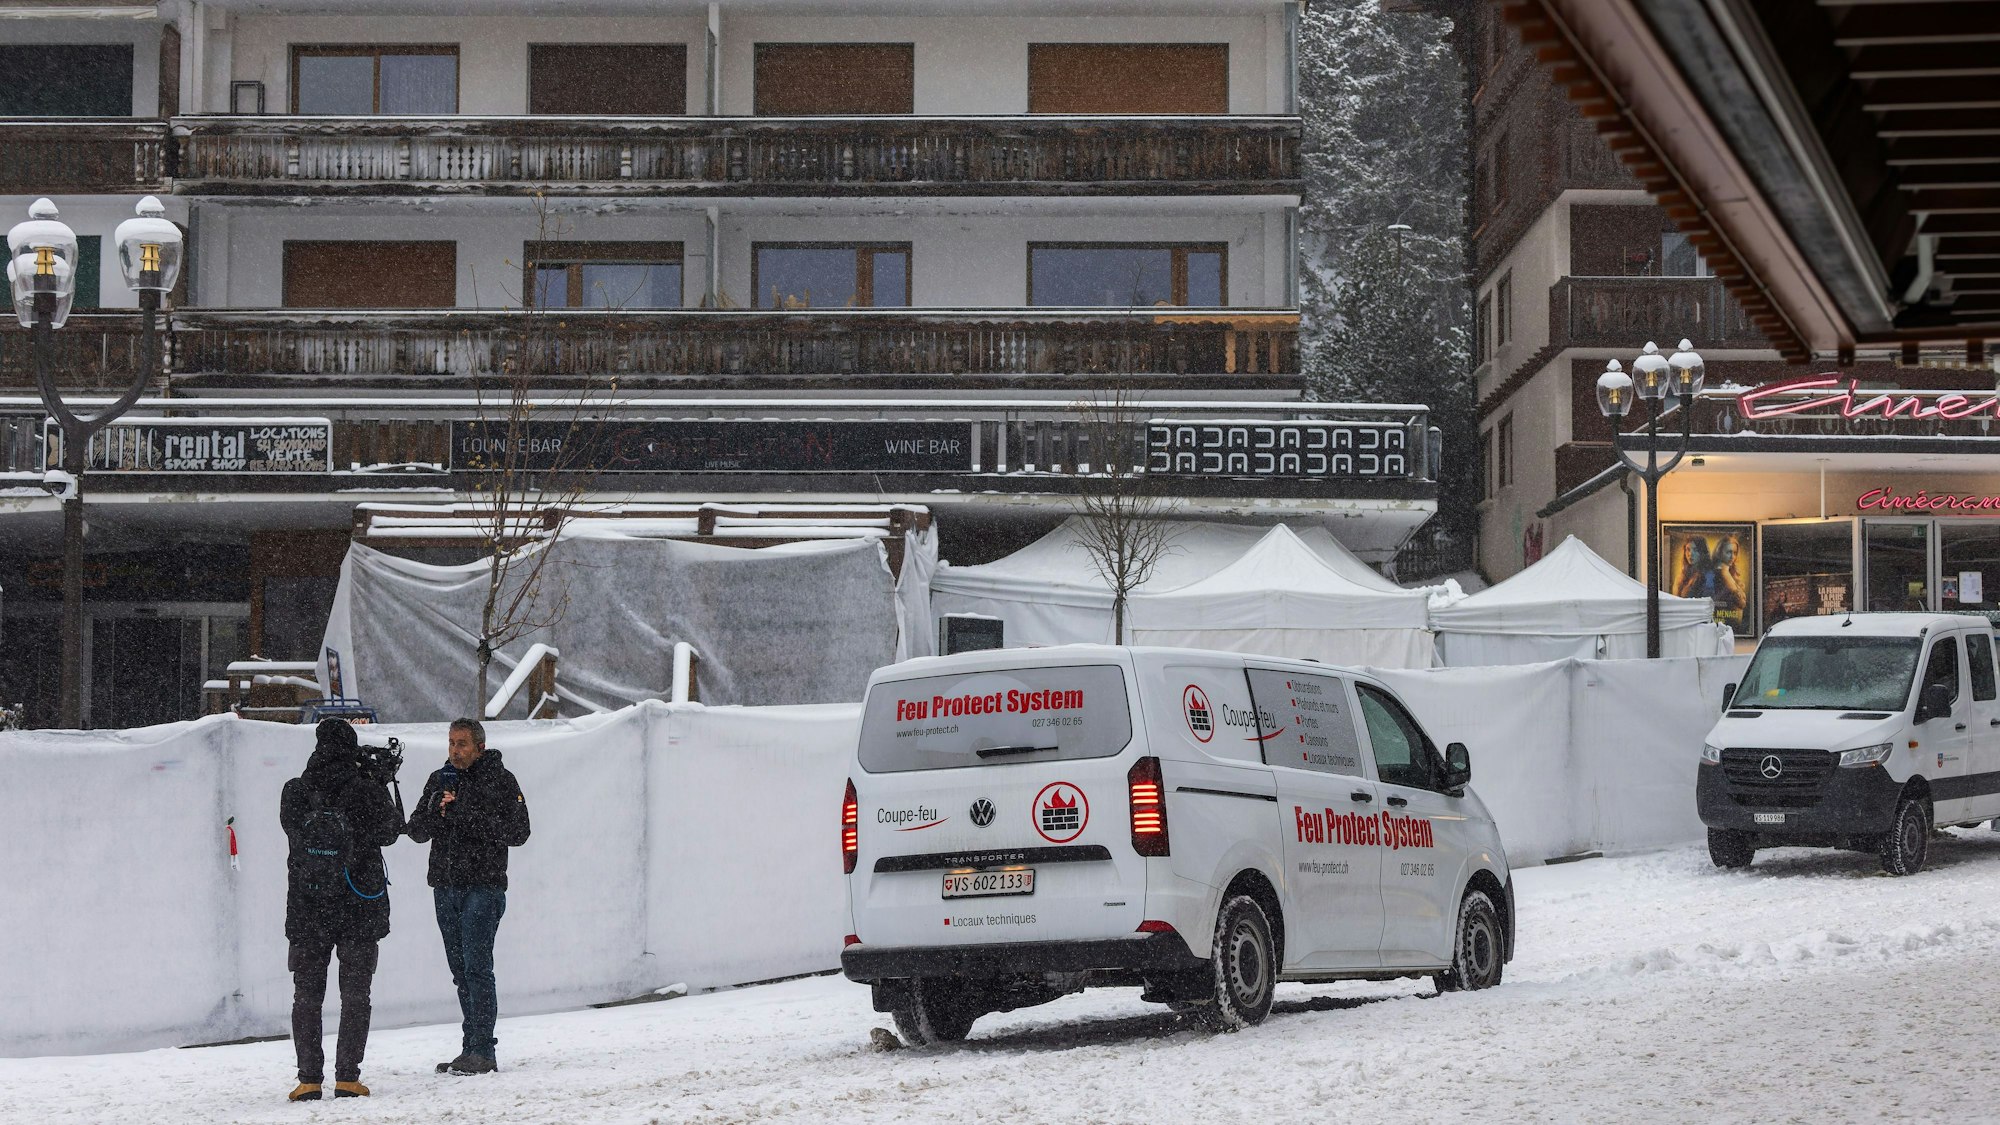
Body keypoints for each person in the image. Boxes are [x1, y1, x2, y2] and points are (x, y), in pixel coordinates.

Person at [281, 719, 403, 1102]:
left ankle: (308, 1080)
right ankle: (348, 1078)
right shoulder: (366, 789)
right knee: (355, 995)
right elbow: (391, 831)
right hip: (358, 906)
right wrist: (379, 782)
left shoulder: (296, 790)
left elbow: (292, 832)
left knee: (306, 996)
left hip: (309, 906)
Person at [406, 717, 531, 1076]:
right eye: (450, 743)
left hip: (483, 885)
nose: (455, 751)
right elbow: (415, 830)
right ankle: (469, 1047)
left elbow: (519, 831)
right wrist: (436, 810)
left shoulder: (500, 781)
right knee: (460, 970)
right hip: (445, 886)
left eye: (462, 744)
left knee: (477, 967)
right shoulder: (439, 779)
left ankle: (483, 1049)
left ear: (480, 747)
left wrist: (465, 813)